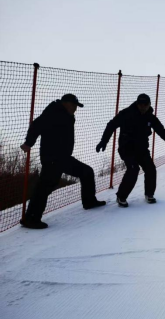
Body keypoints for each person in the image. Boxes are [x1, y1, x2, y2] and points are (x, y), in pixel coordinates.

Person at [20, 94, 106, 229]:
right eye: (74, 105)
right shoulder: (53, 112)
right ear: (65, 103)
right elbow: (36, 125)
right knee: (46, 185)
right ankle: (31, 218)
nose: (75, 108)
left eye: (76, 106)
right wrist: (28, 143)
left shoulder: (67, 115)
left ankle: (89, 202)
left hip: (63, 157)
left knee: (86, 172)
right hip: (52, 157)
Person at [96, 94, 165, 207]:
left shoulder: (151, 117)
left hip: (142, 149)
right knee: (133, 169)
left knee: (150, 168)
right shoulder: (126, 113)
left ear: (149, 104)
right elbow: (111, 125)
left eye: (145, 104)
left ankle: (149, 194)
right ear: (137, 103)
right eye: (140, 104)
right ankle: (121, 196)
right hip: (127, 148)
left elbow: (161, 131)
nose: (143, 107)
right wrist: (104, 141)